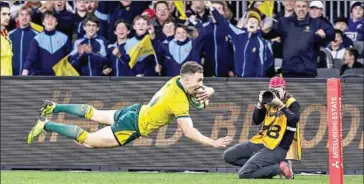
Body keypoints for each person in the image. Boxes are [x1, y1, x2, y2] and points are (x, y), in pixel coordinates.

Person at [27, 61, 232, 150]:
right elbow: (188, 131)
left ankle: (54, 106)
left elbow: (200, 92)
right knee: (89, 141)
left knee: (95, 114)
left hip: (135, 110)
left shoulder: (177, 81)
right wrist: (212, 142)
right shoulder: (177, 100)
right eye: (199, 80)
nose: (201, 83)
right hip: (133, 126)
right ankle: (45, 124)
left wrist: (210, 90)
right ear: (186, 80)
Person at [223, 77, 301, 179]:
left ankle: (278, 168)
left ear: (284, 89)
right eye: (272, 90)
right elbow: (256, 121)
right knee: (228, 156)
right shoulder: (268, 101)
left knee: (244, 174)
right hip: (260, 141)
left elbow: (294, 120)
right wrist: (260, 104)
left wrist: (281, 105)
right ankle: (271, 165)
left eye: (277, 90)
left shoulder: (291, 103)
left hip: (276, 147)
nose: (274, 94)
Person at [262, 0, 335, 78]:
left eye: (304, 6)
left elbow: (332, 33)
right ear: (294, 8)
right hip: (288, 70)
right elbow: (268, 35)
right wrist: (265, 31)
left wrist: (325, 34)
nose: (301, 9)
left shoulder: (316, 23)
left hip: (308, 70)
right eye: (298, 6)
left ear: (307, 9)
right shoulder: (284, 22)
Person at [9, 6, 38, 75]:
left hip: (31, 75)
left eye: (27, 14)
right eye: (21, 14)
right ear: (17, 18)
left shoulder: (37, 35)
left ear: (30, 18)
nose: (24, 17)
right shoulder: (10, 35)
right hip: (12, 75)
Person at [1, 1, 13, 76]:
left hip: (7, 81)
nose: (7, 17)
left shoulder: (6, 33)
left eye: (9, 14)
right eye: (4, 14)